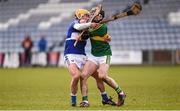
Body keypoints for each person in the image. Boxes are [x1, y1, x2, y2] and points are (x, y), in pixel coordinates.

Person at [64, 8, 116, 107]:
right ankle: (73, 100)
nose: (88, 17)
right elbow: (78, 26)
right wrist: (90, 24)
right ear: (79, 16)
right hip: (70, 54)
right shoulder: (75, 23)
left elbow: (99, 33)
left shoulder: (88, 27)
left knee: (98, 77)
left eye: (88, 16)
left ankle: (105, 98)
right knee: (76, 76)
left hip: (83, 56)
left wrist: (107, 37)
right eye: (85, 16)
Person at [81, 9, 126, 107]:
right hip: (93, 55)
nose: (91, 15)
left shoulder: (103, 27)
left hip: (105, 55)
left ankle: (121, 93)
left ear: (100, 17)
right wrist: (86, 26)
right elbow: (85, 35)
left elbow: (90, 31)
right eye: (91, 14)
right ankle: (85, 101)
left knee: (102, 76)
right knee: (83, 76)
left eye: (94, 14)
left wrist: (87, 26)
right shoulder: (90, 25)